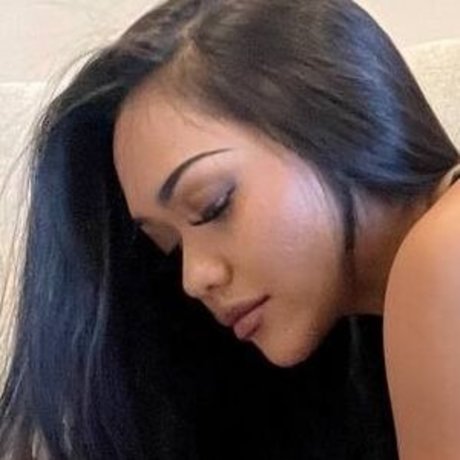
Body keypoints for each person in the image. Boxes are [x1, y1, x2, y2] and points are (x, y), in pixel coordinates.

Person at [1, 0, 459, 458]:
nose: (194, 277)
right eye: (170, 247)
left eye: (212, 207)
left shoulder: (444, 249)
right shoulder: (366, 352)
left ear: (342, 115)